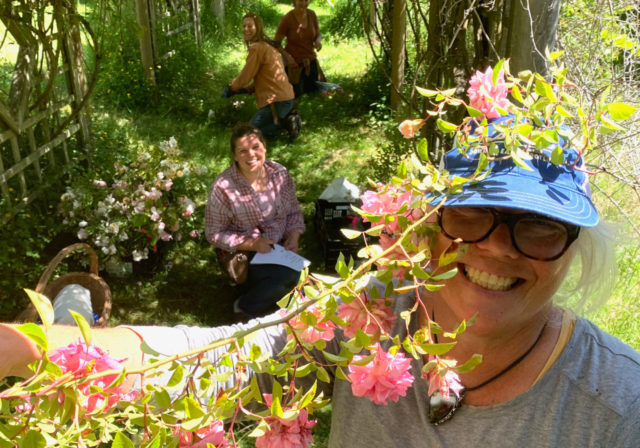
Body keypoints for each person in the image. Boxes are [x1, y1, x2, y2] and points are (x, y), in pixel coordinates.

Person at [2, 118, 640, 447]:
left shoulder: (617, 411)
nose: (498, 246)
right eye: (470, 212)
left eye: (540, 226)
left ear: (573, 249)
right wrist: (31, 346)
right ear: (425, 223)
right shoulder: (364, 317)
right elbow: (216, 361)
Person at [204, 124, 305, 317]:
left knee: (303, 280)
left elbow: (294, 212)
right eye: (243, 151)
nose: (251, 155)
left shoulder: (279, 174)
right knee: (291, 278)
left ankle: (271, 295)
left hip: (279, 248)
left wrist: (294, 236)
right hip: (245, 253)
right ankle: (244, 307)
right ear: (234, 155)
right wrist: (252, 244)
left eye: (256, 147)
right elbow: (214, 233)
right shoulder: (223, 187)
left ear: (265, 147)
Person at [223, 13, 301, 141]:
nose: (246, 29)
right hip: (286, 98)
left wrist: (231, 88)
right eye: (244, 26)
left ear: (257, 27)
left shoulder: (257, 48)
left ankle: (285, 123)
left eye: (250, 26)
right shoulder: (267, 45)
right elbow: (268, 75)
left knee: (248, 134)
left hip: (276, 102)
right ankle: (285, 118)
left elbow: (245, 77)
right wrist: (249, 89)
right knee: (251, 131)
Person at [275, 0, 324, 98]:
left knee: (314, 93)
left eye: (306, 0)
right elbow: (276, 43)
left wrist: (318, 41)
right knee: (296, 95)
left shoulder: (312, 14)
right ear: (294, 1)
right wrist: (288, 57)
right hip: (294, 65)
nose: (304, 3)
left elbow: (318, 34)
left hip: (311, 62)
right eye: (301, 0)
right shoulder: (288, 18)